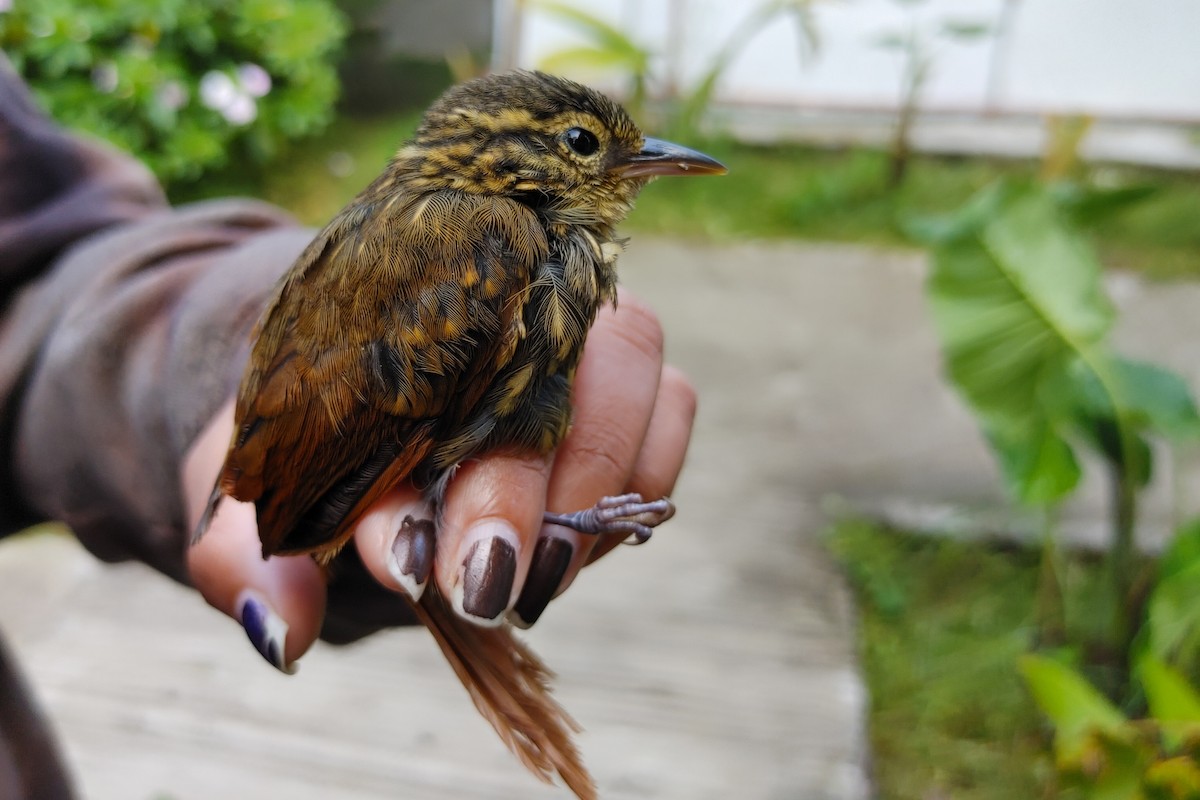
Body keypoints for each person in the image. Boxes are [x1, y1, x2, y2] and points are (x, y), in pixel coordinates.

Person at [0, 55, 696, 798]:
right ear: (507, 158)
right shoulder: (497, 239)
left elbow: (43, 268)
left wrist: (196, 355)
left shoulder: (496, 237)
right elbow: (395, 442)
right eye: (583, 144)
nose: (643, 160)